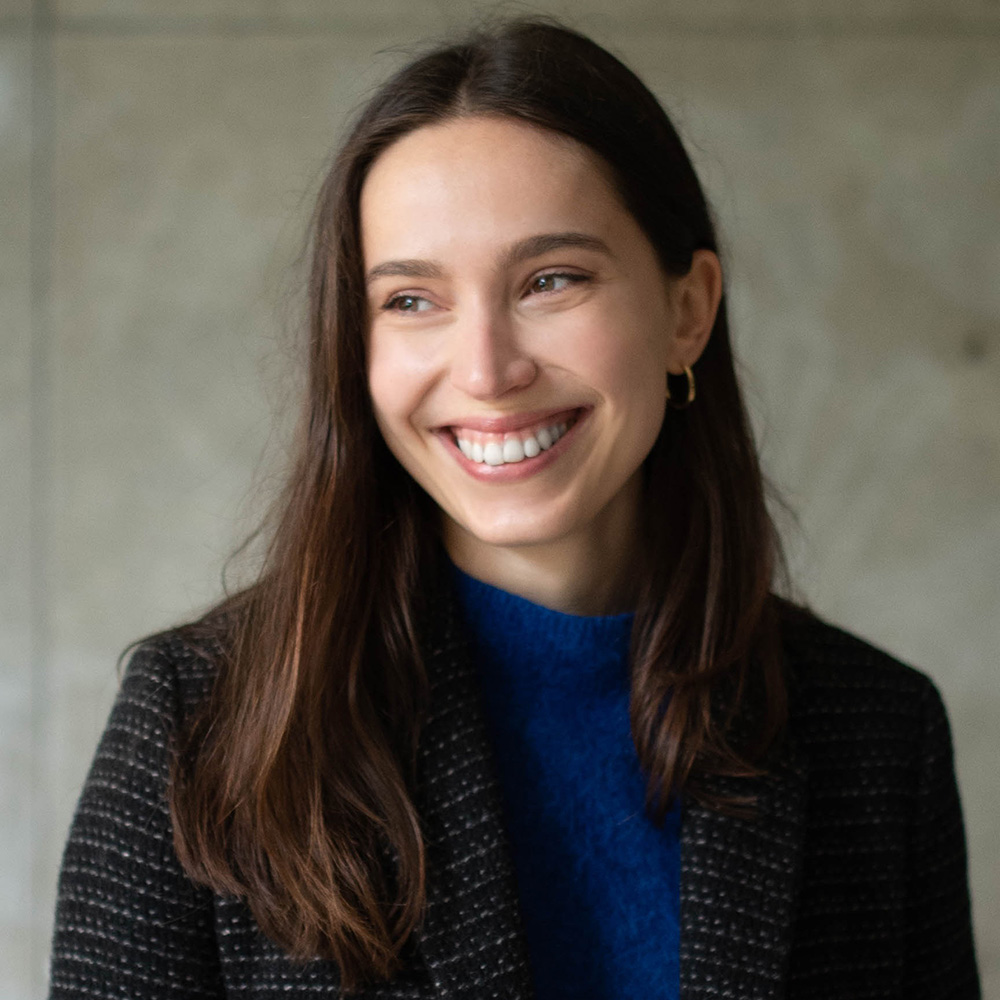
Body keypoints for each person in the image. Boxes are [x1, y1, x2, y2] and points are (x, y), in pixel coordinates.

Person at [48, 17, 980, 1000]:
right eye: (411, 299)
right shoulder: (200, 722)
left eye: (551, 280)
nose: (488, 369)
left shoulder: (878, 734)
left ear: (687, 311)